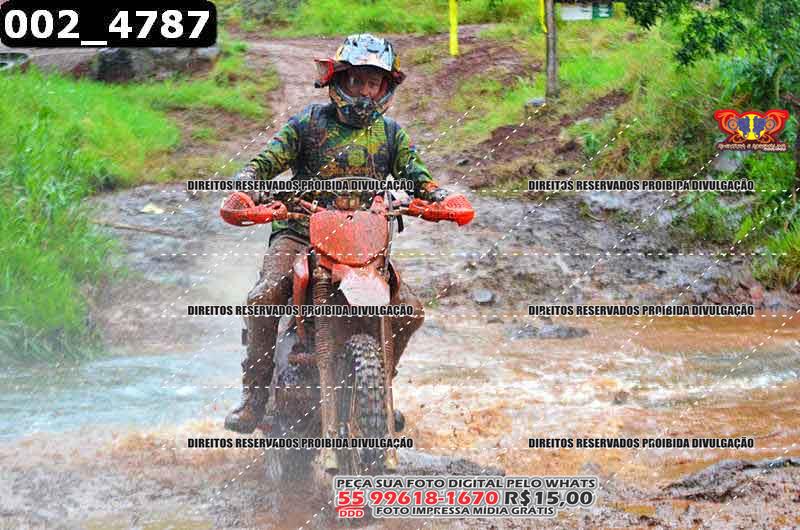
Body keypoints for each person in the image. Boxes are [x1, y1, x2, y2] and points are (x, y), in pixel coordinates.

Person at [225, 33, 451, 434]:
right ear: (339, 80)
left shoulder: (391, 133)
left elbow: (420, 176)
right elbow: (262, 163)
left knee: (410, 311)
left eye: (373, 83)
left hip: (363, 240)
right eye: (357, 81)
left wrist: (441, 198)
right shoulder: (308, 124)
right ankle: (254, 397)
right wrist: (246, 188)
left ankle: (377, 392)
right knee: (263, 296)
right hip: (300, 231)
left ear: (385, 88)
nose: (364, 91)